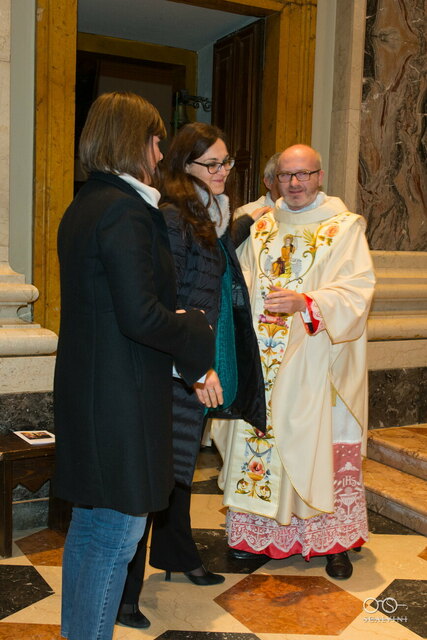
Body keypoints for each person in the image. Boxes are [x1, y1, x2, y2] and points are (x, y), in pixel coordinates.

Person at [53, 92, 215, 640]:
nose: (159, 150)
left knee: (89, 530)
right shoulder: (125, 209)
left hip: (93, 396)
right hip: (119, 405)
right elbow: (141, 316)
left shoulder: (85, 205)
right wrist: (196, 326)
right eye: (156, 139)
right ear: (138, 141)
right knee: (115, 541)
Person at [118, 122, 267, 628]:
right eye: (211, 164)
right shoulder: (173, 216)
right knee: (155, 476)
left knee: (178, 472)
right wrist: (196, 367)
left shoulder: (208, 213)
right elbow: (171, 297)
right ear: (184, 166)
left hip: (194, 363)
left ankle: (177, 554)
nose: (222, 172)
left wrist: (246, 223)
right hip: (172, 369)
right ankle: (123, 595)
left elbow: (220, 256)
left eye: (227, 162)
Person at [214, 144, 375, 580]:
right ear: (274, 180)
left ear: (320, 176)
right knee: (262, 443)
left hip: (316, 361)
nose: (295, 183)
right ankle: (258, 538)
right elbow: (235, 282)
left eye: (304, 174)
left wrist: (307, 302)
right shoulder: (259, 225)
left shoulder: (344, 228)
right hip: (260, 360)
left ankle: (332, 543)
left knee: (318, 445)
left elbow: (358, 290)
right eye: (287, 175)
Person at [233, 152, 281, 218]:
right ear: (268, 182)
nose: (293, 183)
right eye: (283, 175)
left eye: (298, 175)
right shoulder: (246, 213)